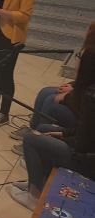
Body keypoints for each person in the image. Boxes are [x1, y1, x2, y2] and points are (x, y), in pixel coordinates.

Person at [9, 46, 95, 210]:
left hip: (87, 163)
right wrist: (61, 133)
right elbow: (84, 131)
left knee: (32, 139)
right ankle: (38, 182)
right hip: (85, 150)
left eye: (79, 57)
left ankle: (34, 196)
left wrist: (63, 138)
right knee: (43, 128)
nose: (76, 60)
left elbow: (82, 145)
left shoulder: (91, 96)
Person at [9, 22, 95, 154]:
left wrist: (68, 95)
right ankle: (33, 130)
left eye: (90, 30)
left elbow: (87, 91)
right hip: (79, 94)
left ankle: (38, 141)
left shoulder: (91, 54)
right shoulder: (89, 50)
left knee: (51, 101)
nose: (86, 32)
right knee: (45, 92)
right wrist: (72, 86)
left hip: (83, 109)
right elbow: (85, 80)